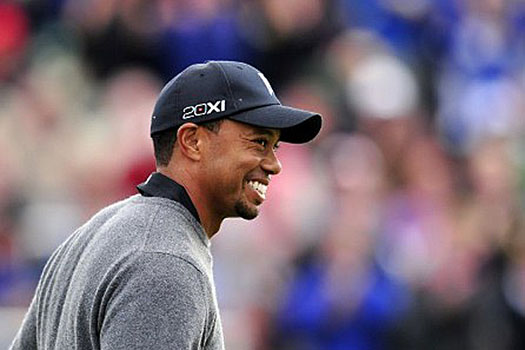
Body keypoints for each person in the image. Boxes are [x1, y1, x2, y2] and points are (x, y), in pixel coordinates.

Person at [9, 61, 322, 350]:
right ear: (192, 142)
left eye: (275, 146)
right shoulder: (165, 261)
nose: (274, 164)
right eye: (259, 143)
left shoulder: (90, 235)